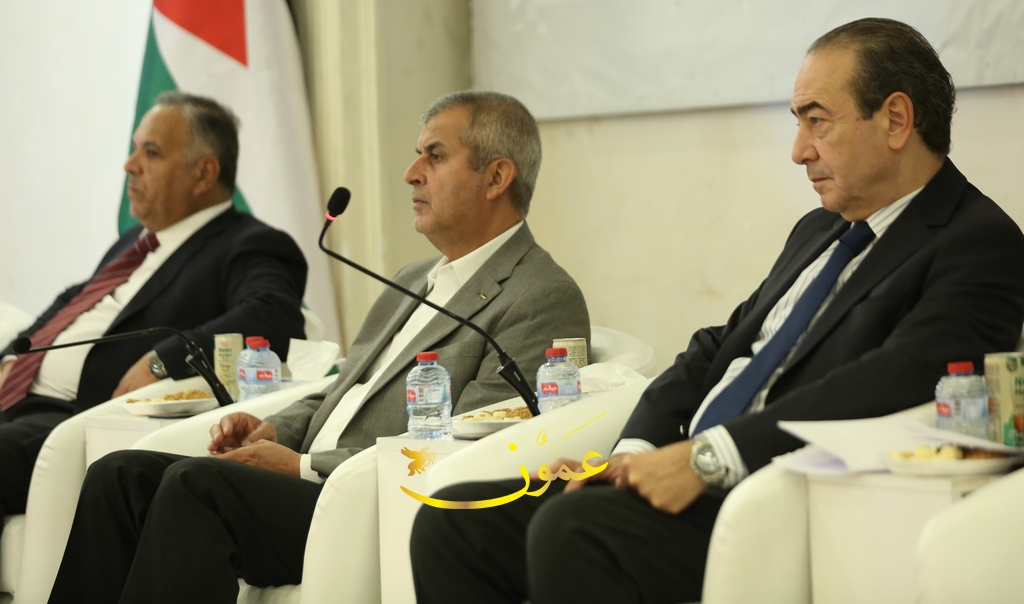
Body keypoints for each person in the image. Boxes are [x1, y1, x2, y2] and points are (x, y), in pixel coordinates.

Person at [410, 18, 1024, 604]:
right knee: (455, 521)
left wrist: (708, 457)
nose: (798, 151)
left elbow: (898, 378)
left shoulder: (978, 242)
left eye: (817, 122)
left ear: (895, 119)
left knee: (575, 531)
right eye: (797, 123)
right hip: (687, 469)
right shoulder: (819, 230)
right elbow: (717, 348)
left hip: (778, 496)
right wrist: (633, 452)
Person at [46, 91, 590, 603]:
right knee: (119, 476)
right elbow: (345, 390)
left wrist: (304, 465)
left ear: (496, 177)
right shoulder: (415, 277)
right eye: (417, 154)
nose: (411, 173)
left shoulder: (539, 296)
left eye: (435, 155)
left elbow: (470, 441)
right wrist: (272, 431)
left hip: (372, 503)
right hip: (311, 479)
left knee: (197, 486)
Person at [0, 91, 307, 527]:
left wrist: (163, 360)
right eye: (134, 149)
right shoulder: (135, 240)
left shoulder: (250, 244)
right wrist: (12, 358)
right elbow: (75, 300)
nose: (130, 165)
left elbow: (272, 314)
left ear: (204, 173)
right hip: (17, 400)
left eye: (151, 152)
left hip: (73, 420)